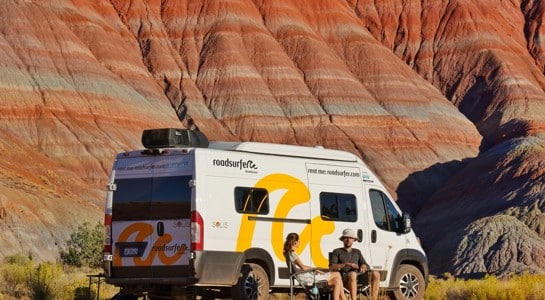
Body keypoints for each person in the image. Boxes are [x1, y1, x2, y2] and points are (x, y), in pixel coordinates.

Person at [283, 232, 347, 300]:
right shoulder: (292, 254)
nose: (299, 242)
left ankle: (343, 298)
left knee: (337, 280)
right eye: (299, 241)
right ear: (295, 242)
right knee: (337, 274)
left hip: (303, 276)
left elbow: (301, 268)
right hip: (307, 279)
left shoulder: (289, 253)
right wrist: (315, 269)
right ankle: (344, 298)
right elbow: (303, 267)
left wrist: (314, 270)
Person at [329, 228, 380, 300]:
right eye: (346, 237)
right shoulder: (337, 251)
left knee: (376, 273)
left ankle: (374, 298)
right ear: (343, 239)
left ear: (354, 240)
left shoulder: (357, 252)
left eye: (351, 238)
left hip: (359, 277)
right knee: (352, 274)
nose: (348, 240)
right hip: (345, 277)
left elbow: (366, 265)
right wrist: (346, 264)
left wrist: (364, 265)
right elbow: (332, 266)